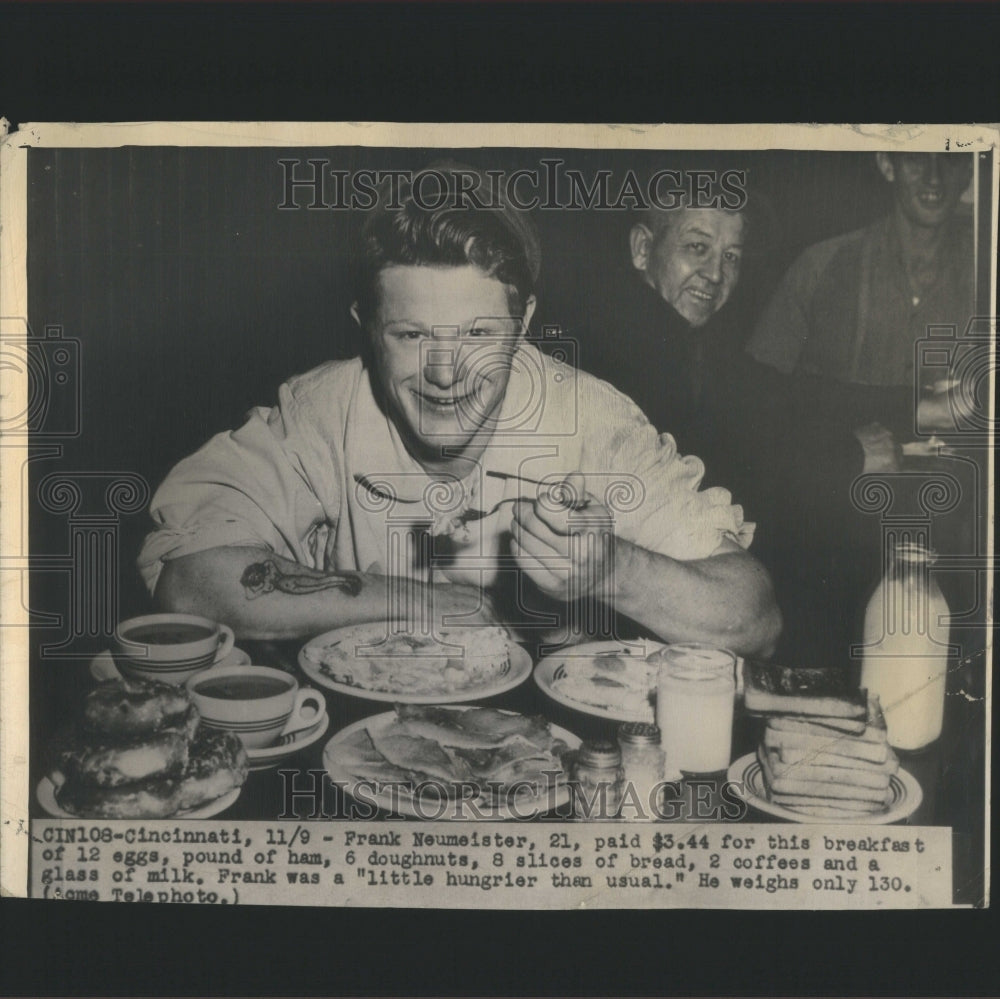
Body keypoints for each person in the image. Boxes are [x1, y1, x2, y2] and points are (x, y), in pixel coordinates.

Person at [139, 166, 780, 656]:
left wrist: (614, 569)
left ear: (523, 322)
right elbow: (192, 581)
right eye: (412, 336)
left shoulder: (594, 419)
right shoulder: (322, 409)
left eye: (478, 335)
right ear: (366, 328)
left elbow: (755, 617)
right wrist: (441, 605)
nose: (446, 376)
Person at [738, 152, 975, 661]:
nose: (934, 177)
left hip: (946, 552)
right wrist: (919, 409)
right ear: (887, 163)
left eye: (951, 160)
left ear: (972, 170)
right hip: (829, 549)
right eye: (917, 159)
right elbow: (753, 407)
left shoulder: (987, 271)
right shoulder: (823, 266)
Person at [571, 202, 747, 485]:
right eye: (697, 247)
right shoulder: (611, 353)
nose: (715, 274)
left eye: (731, 256)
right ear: (643, 249)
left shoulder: (694, 349)